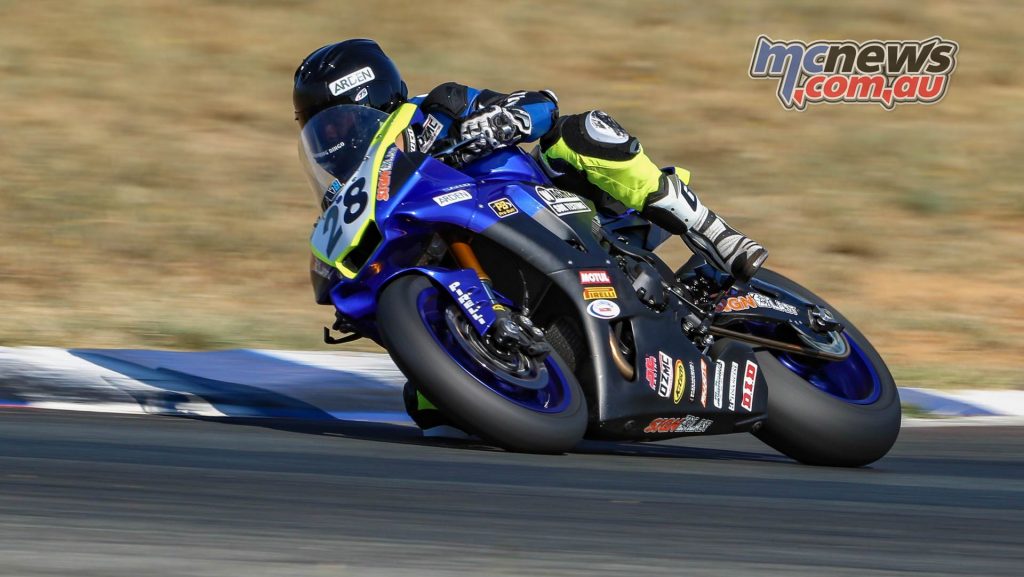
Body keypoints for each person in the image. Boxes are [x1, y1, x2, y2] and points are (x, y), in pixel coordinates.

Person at [293, 39, 769, 435]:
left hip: (555, 211)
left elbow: (544, 103)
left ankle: (710, 230)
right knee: (431, 411)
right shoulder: (352, 194)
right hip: (478, 274)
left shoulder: (439, 109)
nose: (332, 140)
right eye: (318, 132)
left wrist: (507, 119)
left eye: (337, 123)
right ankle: (537, 376)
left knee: (581, 132)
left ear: (371, 102)